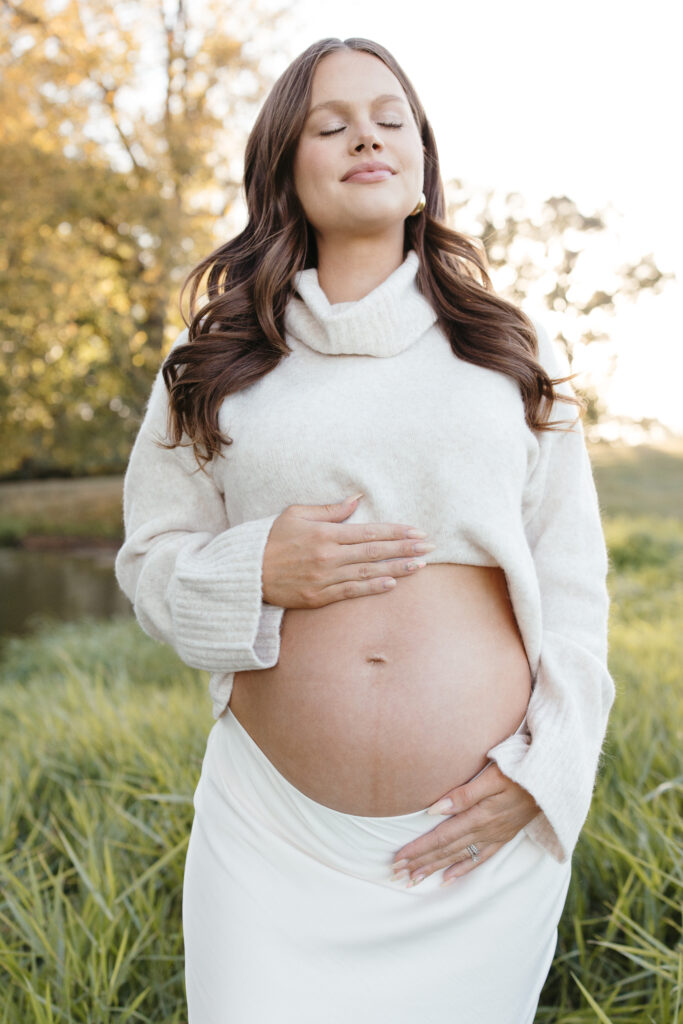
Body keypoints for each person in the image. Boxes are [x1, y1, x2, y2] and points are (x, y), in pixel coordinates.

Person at [114, 36, 616, 1024]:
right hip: (271, 840)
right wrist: (255, 565)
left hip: (473, 842)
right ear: (283, 169)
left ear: (422, 166)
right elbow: (148, 564)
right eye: (329, 123)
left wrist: (544, 776)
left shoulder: (507, 346)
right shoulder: (213, 360)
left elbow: (571, 585)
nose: (365, 138)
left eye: (390, 119)